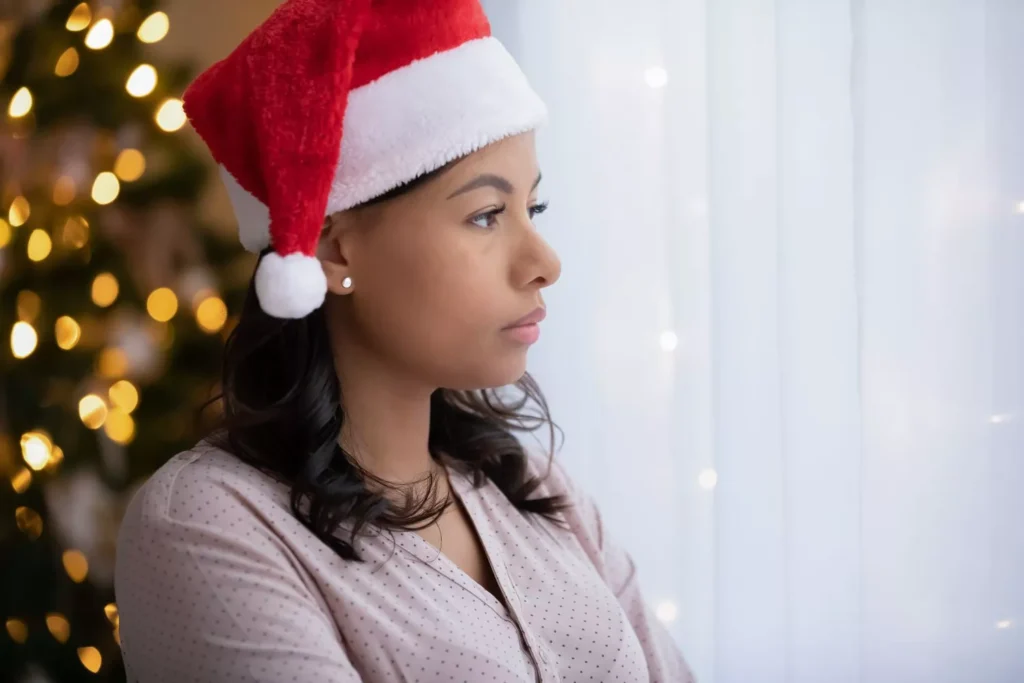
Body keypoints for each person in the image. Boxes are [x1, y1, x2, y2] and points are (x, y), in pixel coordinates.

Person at [113, 0, 695, 681]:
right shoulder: (207, 526)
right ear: (332, 250)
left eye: (531, 208)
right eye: (485, 215)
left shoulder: (540, 490)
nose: (544, 260)